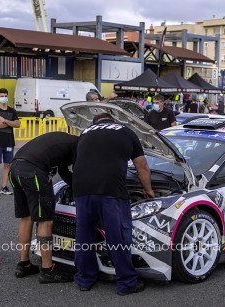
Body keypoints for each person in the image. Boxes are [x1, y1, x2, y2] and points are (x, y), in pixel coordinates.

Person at [73, 113, 154, 294]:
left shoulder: (85, 133)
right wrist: (148, 190)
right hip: (110, 189)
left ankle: (84, 279)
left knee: (84, 234)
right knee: (117, 235)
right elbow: (142, 165)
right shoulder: (125, 131)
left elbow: (79, 161)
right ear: (113, 121)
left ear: (96, 123)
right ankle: (127, 282)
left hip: (81, 189)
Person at [8, 131, 78, 283]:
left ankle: (24, 264)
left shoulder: (65, 140)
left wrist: (72, 185)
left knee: (26, 217)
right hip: (33, 172)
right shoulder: (79, 144)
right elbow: (79, 171)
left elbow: (63, 170)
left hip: (14, 168)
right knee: (45, 220)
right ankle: (48, 270)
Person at [0, 88, 21, 196]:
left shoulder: (12, 111)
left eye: (5, 95)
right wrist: (10, 123)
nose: (4, 98)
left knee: (7, 165)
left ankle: (4, 187)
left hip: (9, 142)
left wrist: (5, 121)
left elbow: (18, 124)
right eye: (2, 96)